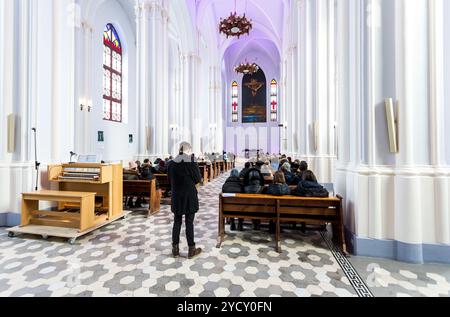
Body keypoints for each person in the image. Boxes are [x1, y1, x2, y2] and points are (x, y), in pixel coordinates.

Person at [168, 142, 202, 259]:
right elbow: (198, 179)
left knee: (177, 221)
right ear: (188, 150)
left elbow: (169, 180)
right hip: (189, 196)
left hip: (176, 196)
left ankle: (175, 249)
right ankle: (191, 249)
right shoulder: (190, 162)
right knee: (189, 222)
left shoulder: (171, 163)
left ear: (180, 149)